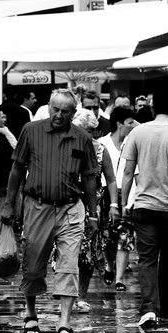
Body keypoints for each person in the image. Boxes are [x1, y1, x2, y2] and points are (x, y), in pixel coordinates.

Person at [1, 89, 98, 333]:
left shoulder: (82, 138)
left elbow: (89, 177)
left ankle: (64, 324)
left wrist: (93, 214)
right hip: (37, 206)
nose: (59, 115)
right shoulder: (30, 131)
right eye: (55, 109)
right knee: (33, 264)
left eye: (65, 111)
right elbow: (17, 169)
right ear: (49, 107)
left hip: (70, 207)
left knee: (69, 265)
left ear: (73, 113)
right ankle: (31, 315)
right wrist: (10, 205)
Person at [120, 85, 168, 331]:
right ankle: (165, 306)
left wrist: (123, 203)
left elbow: (127, 172)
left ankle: (149, 309)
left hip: (144, 205)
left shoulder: (137, 133)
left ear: (153, 108)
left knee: (146, 259)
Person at [71, 106, 119, 311]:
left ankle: (80, 295)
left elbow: (110, 179)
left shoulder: (100, 149)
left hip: (93, 206)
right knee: (67, 252)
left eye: (88, 131)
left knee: (87, 253)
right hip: (69, 203)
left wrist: (114, 205)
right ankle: (68, 293)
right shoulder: (67, 147)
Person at [97, 106, 138, 289]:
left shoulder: (134, 142)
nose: (132, 125)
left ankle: (119, 278)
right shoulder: (102, 143)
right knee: (107, 237)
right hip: (106, 193)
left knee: (125, 236)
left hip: (128, 193)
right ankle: (109, 265)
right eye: (129, 122)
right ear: (119, 123)